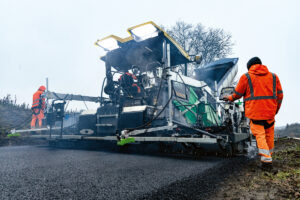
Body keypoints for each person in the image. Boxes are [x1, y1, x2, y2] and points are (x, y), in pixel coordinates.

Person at [224, 57, 283, 170]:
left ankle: (266, 162)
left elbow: (237, 94)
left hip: (255, 114)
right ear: (260, 64)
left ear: (249, 67)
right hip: (270, 113)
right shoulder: (274, 77)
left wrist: (229, 98)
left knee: (260, 136)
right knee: (269, 136)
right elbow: (280, 96)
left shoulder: (246, 77)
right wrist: (276, 110)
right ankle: (269, 156)